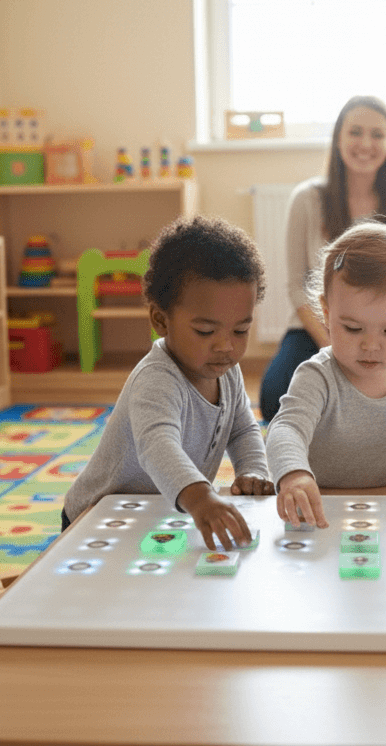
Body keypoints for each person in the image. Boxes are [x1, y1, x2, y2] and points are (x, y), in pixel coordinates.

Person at [61, 217, 269, 550]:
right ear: (161, 320)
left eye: (240, 331)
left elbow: (242, 430)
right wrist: (201, 497)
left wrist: (254, 470)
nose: (225, 346)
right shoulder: (156, 379)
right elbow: (158, 445)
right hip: (97, 516)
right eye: (205, 331)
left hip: (161, 512)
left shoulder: (226, 370)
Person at [258, 95, 386, 423]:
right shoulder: (307, 199)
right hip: (315, 329)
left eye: (377, 134)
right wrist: (334, 341)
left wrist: (373, 340)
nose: (366, 143)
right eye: (356, 132)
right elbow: (297, 286)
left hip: (380, 332)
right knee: (273, 398)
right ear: (338, 139)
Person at [262, 221, 386, 528]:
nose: (370, 345)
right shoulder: (317, 377)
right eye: (353, 328)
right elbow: (285, 428)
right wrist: (294, 474)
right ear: (326, 313)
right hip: (319, 509)